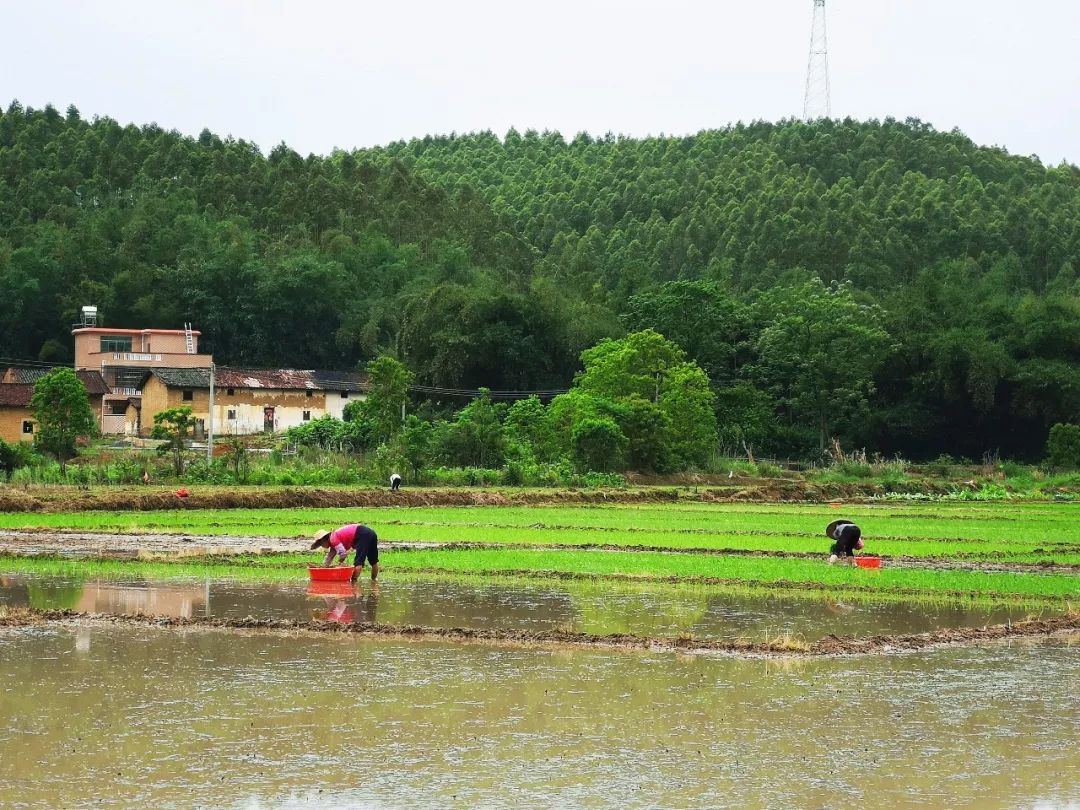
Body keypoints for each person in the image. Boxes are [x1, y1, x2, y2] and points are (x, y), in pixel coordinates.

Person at [311, 524, 379, 582]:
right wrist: (323, 567)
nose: (322, 546)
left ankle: (353, 583)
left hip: (361, 534)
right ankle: (374, 581)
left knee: (359, 562)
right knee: (373, 561)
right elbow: (329, 557)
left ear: (323, 540)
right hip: (371, 533)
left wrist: (339, 563)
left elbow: (343, 554)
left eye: (321, 544)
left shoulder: (333, 540)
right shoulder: (333, 541)